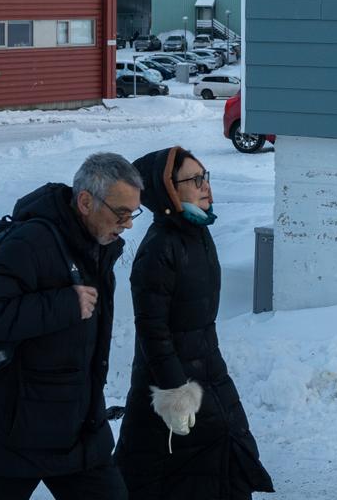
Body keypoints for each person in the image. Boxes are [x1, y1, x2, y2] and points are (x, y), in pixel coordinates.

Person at [0, 152, 144, 500]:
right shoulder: (32, 241)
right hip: (12, 432)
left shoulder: (94, 245)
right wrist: (63, 304)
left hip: (77, 429)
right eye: (121, 213)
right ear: (85, 201)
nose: (128, 223)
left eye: (133, 212)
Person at [116, 147, 274, 499]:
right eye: (195, 180)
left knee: (223, 463)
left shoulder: (196, 233)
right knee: (166, 475)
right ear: (169, 190)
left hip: (209, 372)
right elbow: (153, 331)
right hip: (171, 384)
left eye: (207, 177)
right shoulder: (160, 247)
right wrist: (175, 393)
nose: (206, 187)